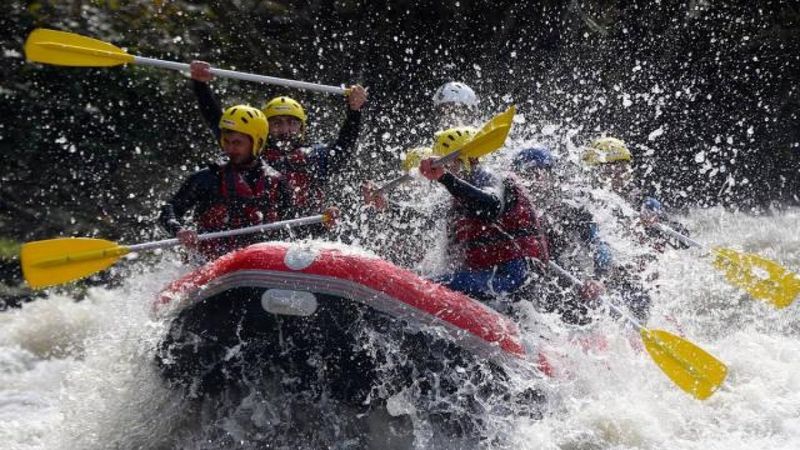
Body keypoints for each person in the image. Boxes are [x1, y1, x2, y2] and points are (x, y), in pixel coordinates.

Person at [189, 61, 367, 213]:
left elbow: (345, 145)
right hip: (264, 237)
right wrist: (201, 86)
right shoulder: (250, 153)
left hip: (309, 237)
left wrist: (355, 111)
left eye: (292, 123)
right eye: (277, 123)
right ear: (264, 127)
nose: (286, 130)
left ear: (302, 127)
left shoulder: (316, 157)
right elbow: (218, 123)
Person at [512, 146, 650, 324]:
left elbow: (599, 245)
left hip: (563, 275)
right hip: (529, 273)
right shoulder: (509, 205)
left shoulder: (570, 207)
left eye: (537, 174)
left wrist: (598, 280)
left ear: (551, 176)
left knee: (624, 283)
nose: (532, 181)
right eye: (526, 175)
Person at [415, 127, 550, 302]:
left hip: (514, 275)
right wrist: (387, 206)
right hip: (488, 276)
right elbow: (425, 220)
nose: (447, 170)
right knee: (429, 279)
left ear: (468, 159)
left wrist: (445, 178)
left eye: (449, 164)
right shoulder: (459, 196)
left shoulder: (490, 177)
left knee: (429, 287)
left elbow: (491, 207)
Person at [158, 104, 292, 260]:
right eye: (226, 141)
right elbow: (169, 210)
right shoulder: (207, 178)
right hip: (212, 263)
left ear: (257, 143)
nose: (230, 148)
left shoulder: (276, 181)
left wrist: (325, 218)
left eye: (237, 143)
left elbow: (295, 224)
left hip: (260, 262)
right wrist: (179, 230)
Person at [581, 136, 691, 252]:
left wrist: (657, 223)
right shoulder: (582, 202)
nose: (618, 177)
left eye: (623, 169)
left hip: (635, 260)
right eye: (609, 172)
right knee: (603, 254)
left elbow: (684, 241)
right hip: (592, 260)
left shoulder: (641, 201)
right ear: (593, 174)